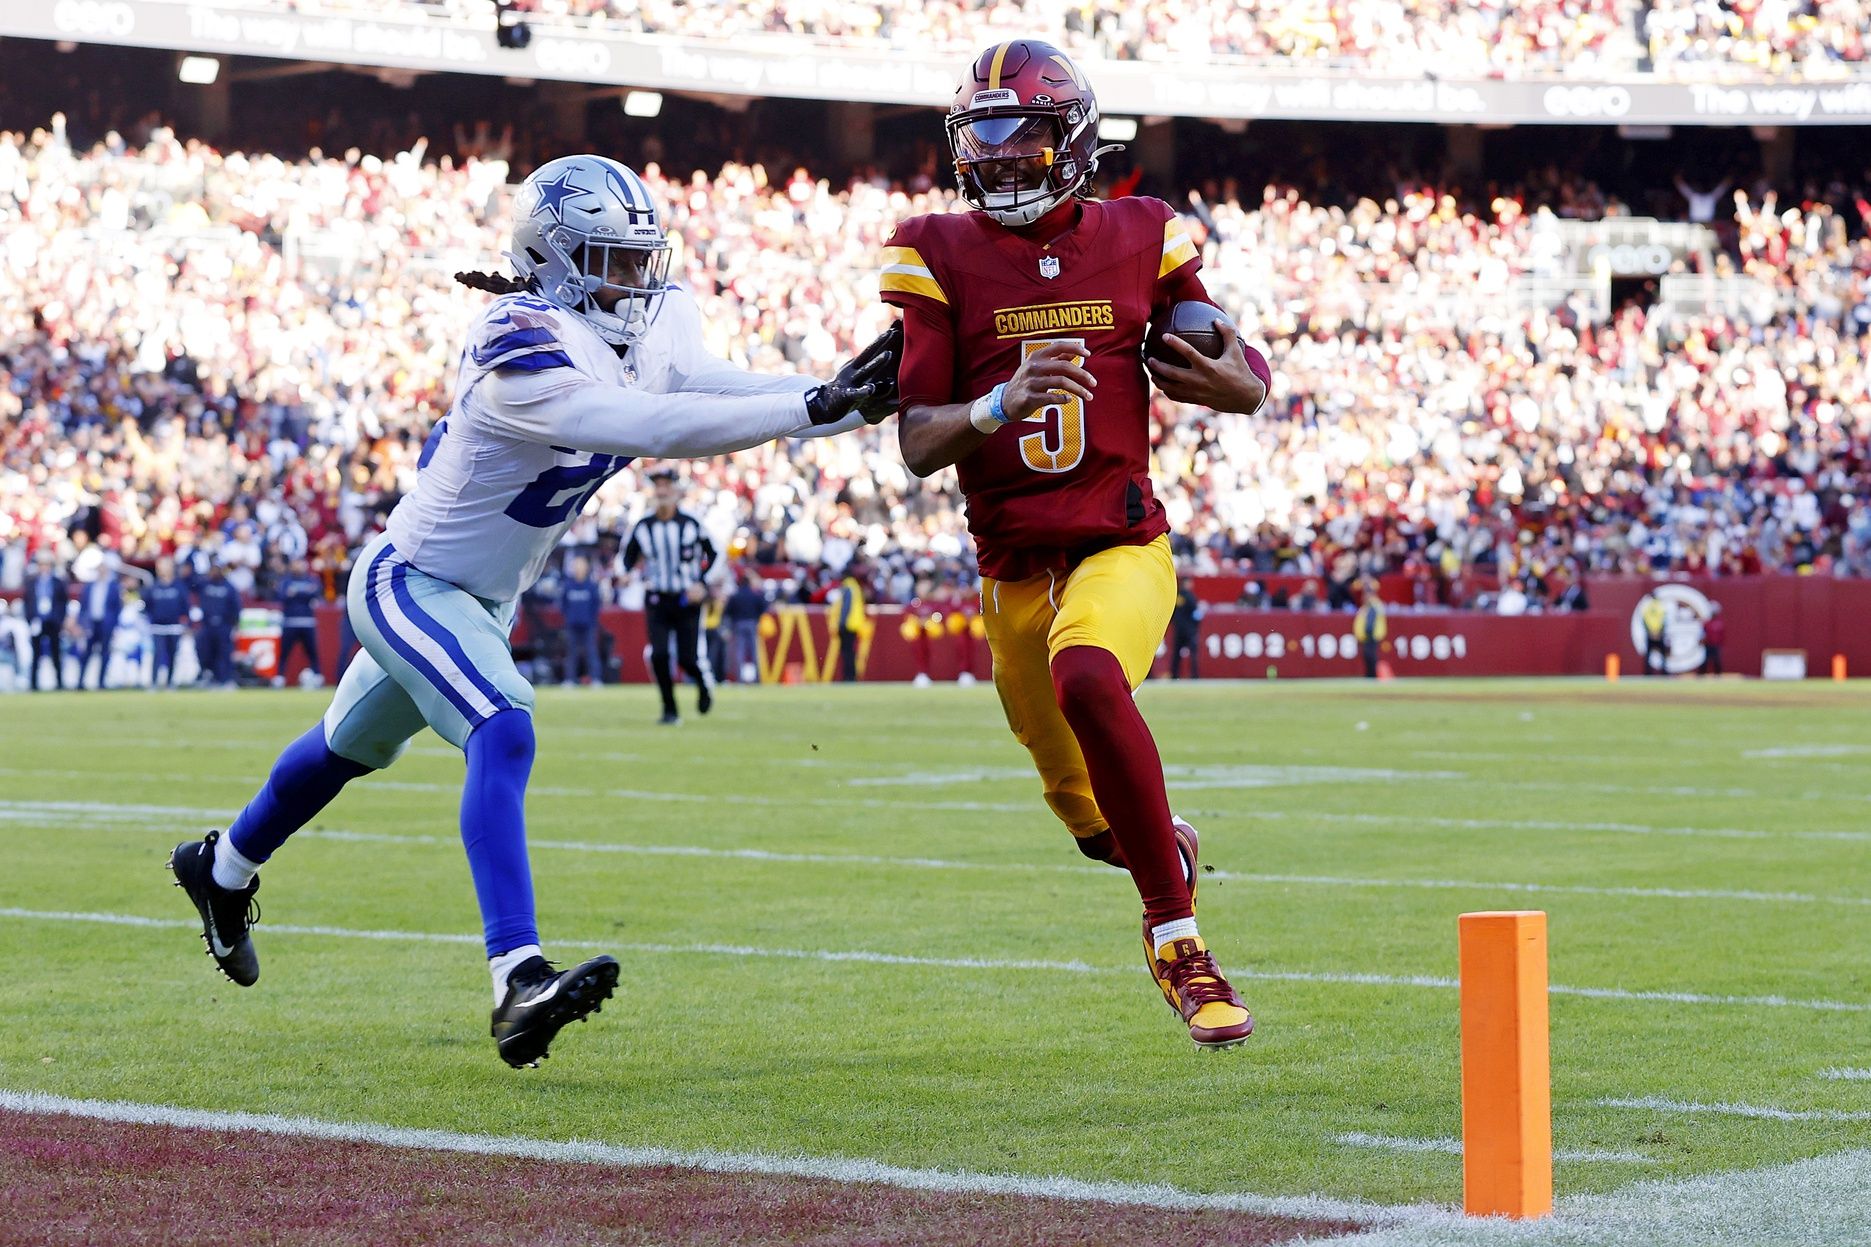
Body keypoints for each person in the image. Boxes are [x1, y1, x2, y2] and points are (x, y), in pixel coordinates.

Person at [166, 153, 898, 1069]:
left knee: (346, 747)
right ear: (553, 259)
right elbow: (655, 429)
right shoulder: (516, 346)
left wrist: (843, 403)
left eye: (640, 258)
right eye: (611, 259)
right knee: (503, 726)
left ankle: (221, 868)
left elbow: (708, 384)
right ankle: (517, 978)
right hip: (411, 581)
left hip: (483, 595)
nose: (636, 280)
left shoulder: (651, 320)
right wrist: (814, 401)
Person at [886, 40, 1269, 1049]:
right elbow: (918, 442)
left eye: (1023, 137)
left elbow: (1224, 349)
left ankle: (1177, 941)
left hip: (1119, 541)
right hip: (1011, 568)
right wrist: (996, 401)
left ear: (1074, 139)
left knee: (1091, 678)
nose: (1001, 160)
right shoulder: (931, 246)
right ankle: (1150, 855)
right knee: (1093, 823)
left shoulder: (1143, 233)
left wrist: (1244, 378)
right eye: (984, 140)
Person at [623, 470, 718, 724]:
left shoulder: (691, 523)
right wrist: (624, 573)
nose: (662, 491)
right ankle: (670, 709)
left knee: (688, 657)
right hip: (657, 598)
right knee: (659, 654)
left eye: (667, 486)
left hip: (687, 599)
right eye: (658, 486)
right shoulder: (643, 526)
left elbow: (716, 554)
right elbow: (626, 557)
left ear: (676, 491)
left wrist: (702, 583)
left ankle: (703, 684)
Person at [23, 548, 69, 691]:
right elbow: (28, 602)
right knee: (35, 654)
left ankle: (59, 683)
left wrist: (59, 619)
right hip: (37, 621)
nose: (44, 567)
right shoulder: (31, 581)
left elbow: (63, 602)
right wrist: (31, 619)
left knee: (56, 653)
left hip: (52, 621)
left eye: (46, 564)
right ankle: (33, 684)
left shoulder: (57, 582)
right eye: (41, 564)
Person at [276, 556, 325, 687]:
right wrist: (304, 593)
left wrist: (295, 593)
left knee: (312, 652)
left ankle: (317, 676)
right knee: (284, 652)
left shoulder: (311, 579)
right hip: (290, 622)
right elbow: (282, 596)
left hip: (307, 622)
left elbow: (315, 592)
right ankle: (279, 677)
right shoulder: (286, 580)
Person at [75, 559, 124, 690]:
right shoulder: (90, 586)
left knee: (105, 653)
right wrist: (81, 623)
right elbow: (83, 606)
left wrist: (115, 625)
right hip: (91, 624)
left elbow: (117, 608)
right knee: (86, 653)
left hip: (106, 624)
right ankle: (80, 682)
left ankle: (101, 682)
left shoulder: (113, 587)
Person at [145, 557, 192, 687]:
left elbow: (185, 606)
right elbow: (147, 605)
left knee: (172, 654)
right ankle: (154, 682)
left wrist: (187, 624)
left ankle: (170, 683)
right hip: (157, 626)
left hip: (174, 626)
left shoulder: (179, 586)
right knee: (157, 654)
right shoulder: (154, 586)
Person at [196, 563, 243, 687]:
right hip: (207, 624)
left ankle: (224, 680)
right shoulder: (204, 584)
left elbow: (236, 606)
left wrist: (236, 622)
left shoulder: (229, 587)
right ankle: (211, 677)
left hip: (224, 624)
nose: (214, 572)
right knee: (207, 652)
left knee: (223, 653)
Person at [559, 554, 602, 686]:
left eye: (581, 565)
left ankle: (596, 679)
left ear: (586, 568)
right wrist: (569, 618)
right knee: (571, 654)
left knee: (591, 652)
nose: (578, 568)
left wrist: (591, 619)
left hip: (588, 625)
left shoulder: (591, 586)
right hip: (572, 625)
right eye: (576, 565)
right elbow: (563, 604)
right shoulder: (568, 585)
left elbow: (596, 604)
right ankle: (569, 679)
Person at [725, 573, 770, 683]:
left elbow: (728, 611)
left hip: (738, 624)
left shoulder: (735, 595)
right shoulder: (755, 594)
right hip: (752, 623)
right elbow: (765, 606)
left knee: (739, 652)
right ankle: (757, 678)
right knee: (754, 652)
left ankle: (739, 679)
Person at [829, 562, 867, 682]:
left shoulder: (848, 588)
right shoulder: (855, 587)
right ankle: (851, 676)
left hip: (848, 624)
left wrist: (841, 623)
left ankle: (849, 677)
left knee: (847, 652)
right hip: (854, 623)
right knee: (850, 651)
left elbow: (846, 608)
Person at [1169, 576, 1203, 679]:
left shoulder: (1176, 596)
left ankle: (1174, 675)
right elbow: (1196, 614)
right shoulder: (1190, 597)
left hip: (1179, 629)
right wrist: (1196, 625)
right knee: (1193, 653)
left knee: (1176, 654)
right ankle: (1194, 675)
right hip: (1189, 630)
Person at [1352, 581, 1387, 679]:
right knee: (1368, 655)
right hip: (1369, 635)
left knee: (1370, 655)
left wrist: (1368, 632)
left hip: (1371, 635)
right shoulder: (1369, 606)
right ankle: (1370, 674)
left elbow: (1370, 622)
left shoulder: (1373, 605)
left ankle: (1372, 675)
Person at [1640, 591, 1669, 675]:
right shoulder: (1661, 606)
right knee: (1663, 654)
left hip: (1650, 634)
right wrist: (1660, 632)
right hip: (1659, 634)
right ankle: (1664, 672)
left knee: (1648, 654)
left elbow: (1644, 620)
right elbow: (1664, 621)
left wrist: (1649, 632)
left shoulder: (1647, 606)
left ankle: (1647, 673)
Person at [1701, 602, 1725, 676]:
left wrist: (1720, 643)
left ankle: (1718, 674)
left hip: (1716, 645)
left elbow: (1722, 635)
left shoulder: (1719, 623)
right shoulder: (1706, 623)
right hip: (1708, 645)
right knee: (1705, 660)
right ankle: (1701, 674)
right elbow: (1702, 633)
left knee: (1717, 660)